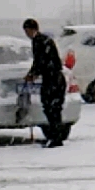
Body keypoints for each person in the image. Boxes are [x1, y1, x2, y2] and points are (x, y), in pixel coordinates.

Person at [22, 18, 68, 146]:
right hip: (55, 78)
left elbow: (40, 60)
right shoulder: (45, 40)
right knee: (53, 108)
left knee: (50, 107)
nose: (26, 34)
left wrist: (32, 74)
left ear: (31, 30)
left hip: (52, 79)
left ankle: (55, 137)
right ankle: (55, 136)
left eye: (27, 31)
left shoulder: (39, 41)